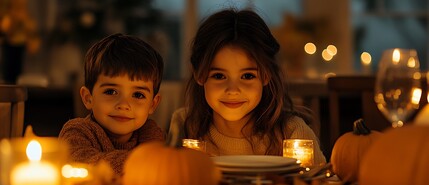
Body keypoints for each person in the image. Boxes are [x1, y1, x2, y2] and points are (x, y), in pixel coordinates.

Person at [167, 8, 326, 164]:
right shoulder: (185, 126)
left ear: (266, 75)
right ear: (199, 75)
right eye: (219, 76)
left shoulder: (293, 133)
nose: (233, 90)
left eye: (247, 76)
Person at [59, 33, 165, 175]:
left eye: (138, 95)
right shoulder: (77, 131)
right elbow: (83, 165)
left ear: (153, 104)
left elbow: (161, 168)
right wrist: (145, 161)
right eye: (111, 92)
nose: (124, 104)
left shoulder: (149, 132)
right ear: (88, 98)